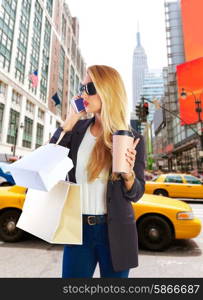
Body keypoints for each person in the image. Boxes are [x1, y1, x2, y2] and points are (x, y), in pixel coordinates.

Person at [50, 65, 145, 278]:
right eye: (82, 87)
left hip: (116, 233)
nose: (83, 93)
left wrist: (128, 175)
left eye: (89, 88)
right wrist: (71, 120)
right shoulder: (77, 131)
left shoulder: (131, 137)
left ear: (107, 90)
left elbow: (137, 193)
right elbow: (51, 158)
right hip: (78, 230)